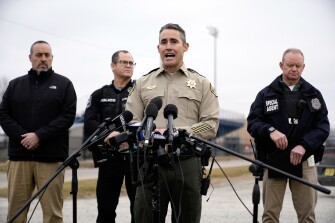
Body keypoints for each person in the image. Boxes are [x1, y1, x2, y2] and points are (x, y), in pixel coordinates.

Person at [120, 23, 219, 223]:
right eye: (163, 42)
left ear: (185, 46)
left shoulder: (201, 83)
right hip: (150, 162)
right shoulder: (143, 83)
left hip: (187, 161)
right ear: (158, 48)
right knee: (144, 217)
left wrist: (177, 132)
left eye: (174, 41)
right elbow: (131, 120)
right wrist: (148, 132)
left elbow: (210, 123)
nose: (168, 46)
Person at [247, 48, 330, 223]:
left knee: (307, 215)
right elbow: (253, 123)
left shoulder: (314, 95)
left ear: (303, 67)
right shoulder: (265, 94)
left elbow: (322, 127)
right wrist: (271, 132)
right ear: (281, 65)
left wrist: (304, 145)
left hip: (305, 160)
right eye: (290, 65)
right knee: (270, 215)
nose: (294, 69)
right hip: (274, 160)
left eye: (298, 65)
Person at [0, 40, 77, 223]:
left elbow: (67, 117)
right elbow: (3, 115)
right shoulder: (15, 85)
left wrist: (39, 136)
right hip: (20, 158)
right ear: (30, 57)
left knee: (52, 215)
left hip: (51, 159)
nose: (43, 59)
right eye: (39, 55)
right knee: (15, 214)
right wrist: (23, 138)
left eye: (47, 55)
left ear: (52, 58)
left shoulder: (64, 84)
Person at [83, 50, 136, 223]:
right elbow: (89, 122)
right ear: (113, 66)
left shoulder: (140, 92)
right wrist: (108, 133)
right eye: (124, 62)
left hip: (135, 158)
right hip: (108, 159)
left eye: (131, 63)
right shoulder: (99, 94)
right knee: (105, 210)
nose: (129, 66)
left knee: (139, 209)